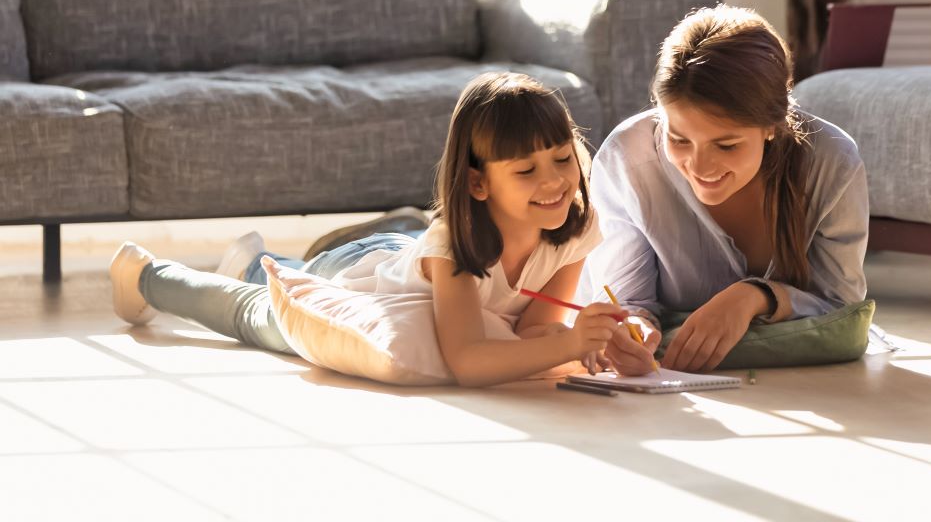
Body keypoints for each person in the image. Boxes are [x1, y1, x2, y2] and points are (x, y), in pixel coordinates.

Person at [109, 72, 624, 387]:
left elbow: (533, 329)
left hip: (408, 251)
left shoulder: (573, 228)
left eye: (562, 158)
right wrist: (568, 344)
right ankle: (148, 274)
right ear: (477, 183)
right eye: (526, 170)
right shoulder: (457, 245)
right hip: (361, 274)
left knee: (390, 246)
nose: (555, 181)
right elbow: (468, 360)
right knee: (261, 317)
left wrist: (607, 341)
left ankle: (272, 257)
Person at [577, 4, 869, 375]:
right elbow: (627, 301)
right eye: (678, 139)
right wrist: (633, 329)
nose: (699, 167)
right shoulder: (628, 160)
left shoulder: (832, 162)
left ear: (771, 126)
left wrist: (755, 297)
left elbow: (842, 307)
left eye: (727, 145)